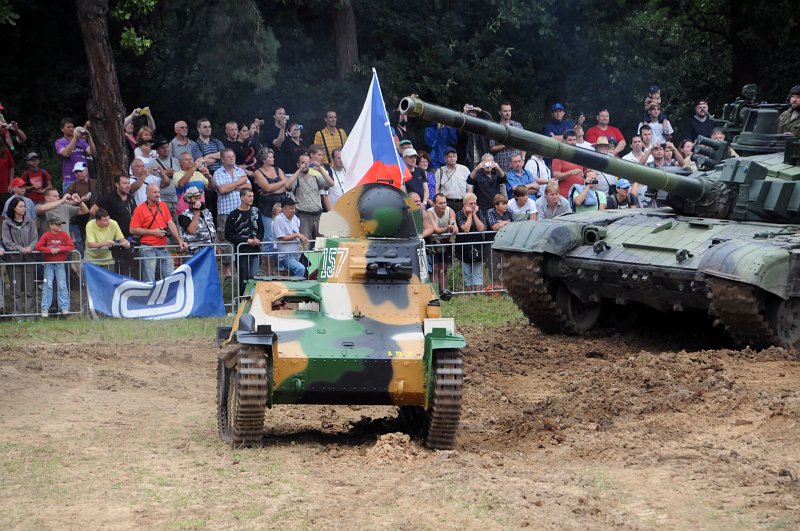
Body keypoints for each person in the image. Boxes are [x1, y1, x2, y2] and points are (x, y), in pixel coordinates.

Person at [129, 184, 187, 282]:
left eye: (159, 192)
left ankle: (168, 296)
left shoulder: (163, 206)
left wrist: (179, 241)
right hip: (148, 248)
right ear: (147, 194)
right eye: (154, 192)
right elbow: (132, 230)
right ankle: (150, 296)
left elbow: (171, 224)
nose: (158, 195)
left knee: (170, 277)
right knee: (149, 279)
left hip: (163, 247)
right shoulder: (140, 209)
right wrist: (153, 232)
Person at [90, 175, 137, 276]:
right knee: (118, 266)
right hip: (116, 238)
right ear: (117, 185)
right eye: (125, 183)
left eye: (128, 183)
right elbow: (93, 210)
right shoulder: (109, 198)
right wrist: (105, 223)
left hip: (129, 236)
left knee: (130, 266)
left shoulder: (131, 198)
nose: (128, 186)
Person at [253, 148, 296, 247]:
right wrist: (283, 181)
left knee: (283, 232)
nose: (273, 158)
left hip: (281, 206)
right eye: (271, 157)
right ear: (264, 160)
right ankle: (268, 261)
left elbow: (286, 186)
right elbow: (267, 188)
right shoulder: (258, 172)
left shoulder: (278, 169)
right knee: (269, 235)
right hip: (266, 208)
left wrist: (274, 190)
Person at [2, 197, 38, 317]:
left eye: (24, 206)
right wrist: (20, 249)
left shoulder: (30, 221)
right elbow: (7, 241)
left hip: (29, 258)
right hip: (14, 259)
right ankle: (17, 314)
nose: (24, 208)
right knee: (16, 289)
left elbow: (34, 238)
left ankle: (31, 314)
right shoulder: (6, 223)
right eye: (21, 206)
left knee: (30, 289)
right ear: (14, 208)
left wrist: (30, 248)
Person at [35, 213, 75, 317]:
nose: (59, 226)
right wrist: (49, 250)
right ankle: (45, 308)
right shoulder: (46, 235)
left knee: (62, 285)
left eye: (60, 224)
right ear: (50, 225)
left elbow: (71, 246)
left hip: (60, 263)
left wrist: (59, 249)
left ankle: (64, 307)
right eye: (57, 225)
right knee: (48, 285)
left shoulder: (64, 235)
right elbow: (38, 246)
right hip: (49, 263)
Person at [225, 189, 264, 296]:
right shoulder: (233, 215)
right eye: (249, 196)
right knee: (243, 278)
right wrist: (246, 240)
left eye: (252, 196)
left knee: (255, 277)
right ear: (242, 197)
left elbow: (261, 230)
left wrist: (258, 239)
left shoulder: (256, 211)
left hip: (255, 250)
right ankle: (242, 302)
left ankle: (254, 301)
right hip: (241, 251)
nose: (252, 198)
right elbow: (228, 234)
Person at [290, 152, 333, 243]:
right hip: (303, 215)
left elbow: (331, 183)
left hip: (318, 214)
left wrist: (321, 169)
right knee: (305, 243)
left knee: (321, 244)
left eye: (307, 162)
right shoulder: (295, 178)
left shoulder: (316, 177)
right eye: (302, 163)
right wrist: (299, 170)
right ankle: (304, 258)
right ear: (298, 164)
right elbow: (287, 186)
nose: (305, 165)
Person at [213, 148, 251, 244]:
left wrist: (229, 186)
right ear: (223, 159)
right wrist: (238, 183)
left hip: (241, 211)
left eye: (233, 156)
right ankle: (227, 259)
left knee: (242, 238)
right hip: (225, 212)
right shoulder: (218, 173)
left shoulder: (240, 171)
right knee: (226, 241)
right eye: (228, 157)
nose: (231, 158)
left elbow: (248, 187)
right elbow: (222, 190)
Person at [455, 192, 487, 292]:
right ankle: (470, 295)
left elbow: (482, 228)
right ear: (465, 205)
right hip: (464, 247)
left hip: (477, 246)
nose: (473, 205)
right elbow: (466, 229)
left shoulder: (479, 212)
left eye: (475, 203)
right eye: (470, 204)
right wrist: (469, 215)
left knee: (477, 272)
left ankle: (478, 295)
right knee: (467, 272)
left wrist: (474, 215)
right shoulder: (459, 214)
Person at [426, 193, 457, 294]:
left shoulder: (450, 210)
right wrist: (447, 228)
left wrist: (454, 227)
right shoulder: (429, 213)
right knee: (435, 268)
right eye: (440, 203)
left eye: (445, 202)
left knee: (444, 268)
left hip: (445, 241)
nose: (443, 205)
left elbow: (452, 221)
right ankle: (435, 293)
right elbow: (435, 229)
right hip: (433, 241)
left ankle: (444, 292)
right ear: (434, 204)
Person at [55, 117, 96, 192]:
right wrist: (75, 138)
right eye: (68, 127)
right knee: (70, 203)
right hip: (70, 179)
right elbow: (66, 153)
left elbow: (92, 152)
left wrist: (89, 137)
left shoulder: (81, 141)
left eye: (72, 127)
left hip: (85, 179)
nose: (71, 129)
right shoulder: (60, 142)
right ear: (62, 129)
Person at [272, 197, 307, 277]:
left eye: (294, 208)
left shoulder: (296, 219)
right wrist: (297, 235)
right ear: (284, 209)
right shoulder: (278, 219)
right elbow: (281, 238)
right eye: (291, 208)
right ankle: (296, 288)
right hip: (285, 255)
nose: (294, 210)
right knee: (300, 269)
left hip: (296, 254)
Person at [177, 186, 217, 254]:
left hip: (211, 249)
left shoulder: (206, 212)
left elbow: (212, 229)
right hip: (195, 252)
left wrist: (217, 245)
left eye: (199, 198)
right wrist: (196, 212)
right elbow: (192, 231)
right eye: (195, 198)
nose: (198, 201)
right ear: (188, 200)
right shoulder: (184, 215)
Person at [488, 101, 525, 172]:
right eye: (505, 111)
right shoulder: (495, 127)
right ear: (499, 112)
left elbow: (524, 144)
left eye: (509, 111)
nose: (508, 113)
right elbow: (491, 148)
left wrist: (523, 159)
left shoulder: (518, 126)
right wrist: (505, 146)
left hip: (517, 167)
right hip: (501, 166)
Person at [433, 146, 471, 212]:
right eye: (449, 157)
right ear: (445, 158)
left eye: (454, 156)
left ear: (457, 157)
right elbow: (436, 189)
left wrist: (467, 202)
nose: (452, 158)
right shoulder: (440, 171)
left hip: (462, 202)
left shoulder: (464, 169)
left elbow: (469, 188)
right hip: (446, 203)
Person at [552, 130, 585, 197]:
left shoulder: (581, 154)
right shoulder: (559, 155)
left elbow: (587, 171)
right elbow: (556, 176)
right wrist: (570, 172)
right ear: (564, 140)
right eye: (570, 140)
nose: (572, 142)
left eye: (574, 140)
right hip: (565, 194)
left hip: (580, 193)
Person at [153, 138, 179, 219]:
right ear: (157, 150)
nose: (166, 149)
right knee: (164, 224)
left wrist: (175, 173)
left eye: (167, 147)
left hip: (176, 198)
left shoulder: (175, 161)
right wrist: (163, 174)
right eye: (162, 148)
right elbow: (152, 180)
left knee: (177, 225)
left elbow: (181, 177)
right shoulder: (152, 163)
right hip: (162, 198)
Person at [264, 106, 289, 172]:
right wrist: (282, 128)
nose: (282, 116)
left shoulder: (288, 129)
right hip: (276, 164)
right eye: (280, 113)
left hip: (288, 164)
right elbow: (278, 143)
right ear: (274, 116)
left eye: (284, 114)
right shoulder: (270, 130)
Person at [0, 139, 15, 208]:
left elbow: (11, 166)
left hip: (4, 188)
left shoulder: (5, 151)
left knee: (6, 211)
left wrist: (11, 183)